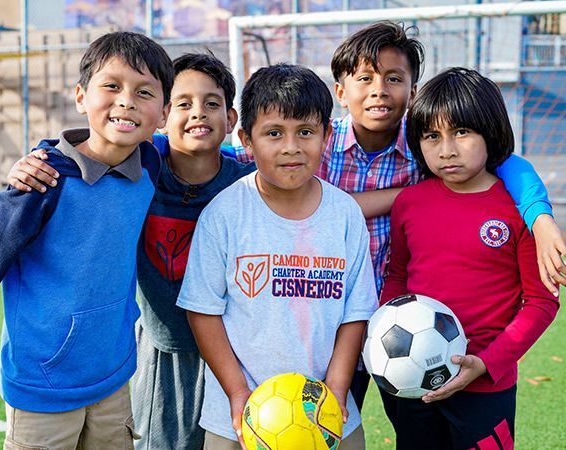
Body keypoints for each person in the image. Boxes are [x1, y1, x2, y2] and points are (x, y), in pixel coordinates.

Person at [224, 20, 565, 410]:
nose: (379, 91)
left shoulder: (431, 144)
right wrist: (167, 145)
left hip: (407, 330)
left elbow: (507, 164)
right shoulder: (310, 139)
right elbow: (237, 156)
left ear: (413, 90)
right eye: (365, 78)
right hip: (323, 318)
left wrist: (538, 215)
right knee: (305, 420)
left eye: (393, 78)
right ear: (340, 91)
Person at [0, 31, 172, 449]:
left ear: (162, 113)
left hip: (114, 376)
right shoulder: (43, 181)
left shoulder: (151, 162)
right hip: (42, 385)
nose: (127, 100)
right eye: (111, 86)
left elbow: (201, 150)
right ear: (81, 97)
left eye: (144, 92)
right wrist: (40, 156)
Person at [176, 63, 378, 449]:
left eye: (305, 132)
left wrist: (336, 387)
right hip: (238, 417)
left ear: (326, 137)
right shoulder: (224, 214)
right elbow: (203, 311)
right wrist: (237, 391)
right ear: (246, 141)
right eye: (273, 133)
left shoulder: (344, 213)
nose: (291, 146)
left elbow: (357, 311)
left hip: (327, 416)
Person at [380, 67, 559, 450]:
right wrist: (384, 328)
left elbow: (542, 302)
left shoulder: (516, 210)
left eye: (461, 132)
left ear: (489, 131)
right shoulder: (409, 203)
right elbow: (397, 279)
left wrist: (489, 362)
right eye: (432, 136)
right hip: (413, 380)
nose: (446, 149)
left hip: (486, 383)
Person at [132, 53, 255, 450]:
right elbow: (87, 149)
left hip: (234, 355)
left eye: (212, 103)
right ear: (165, 114)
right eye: (184, 103)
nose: (198, 113)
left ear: (232, 120)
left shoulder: (249, 185)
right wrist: (44, 153)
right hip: (162, 351)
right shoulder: (140, 166)